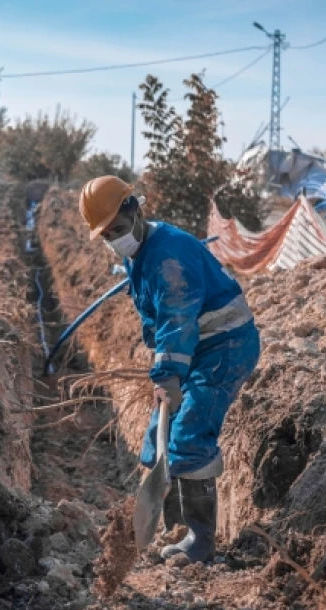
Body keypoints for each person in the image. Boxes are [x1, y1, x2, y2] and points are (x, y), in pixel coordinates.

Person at [79, 175, 261, 565]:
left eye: (119, 229)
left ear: (136, 210)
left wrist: (169, 376)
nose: (115, 238)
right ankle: (175, 528)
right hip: (195, 348)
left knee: (190, 435)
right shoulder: (139, 255)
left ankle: (200, 541)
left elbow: (176, 321)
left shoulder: (169, 254)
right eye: (107, 234)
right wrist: (166, 374)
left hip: (224, 347)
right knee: (156, 442)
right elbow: (159, 322)